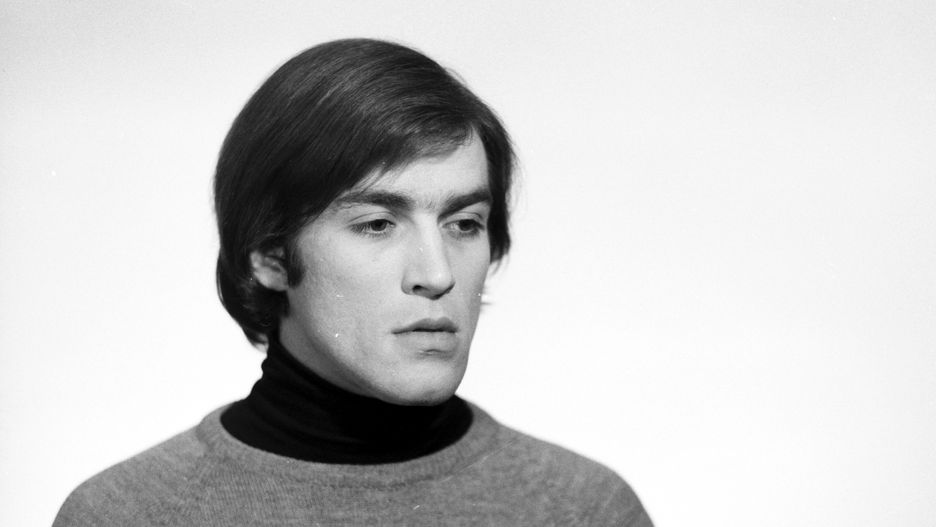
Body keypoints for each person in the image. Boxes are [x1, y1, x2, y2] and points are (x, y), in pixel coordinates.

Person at [53, 38, 653, 526]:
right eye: (376, 224)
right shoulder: (130, 515)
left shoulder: (584, 510)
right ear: (270, 255)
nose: (437, 274)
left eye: (464, 224)